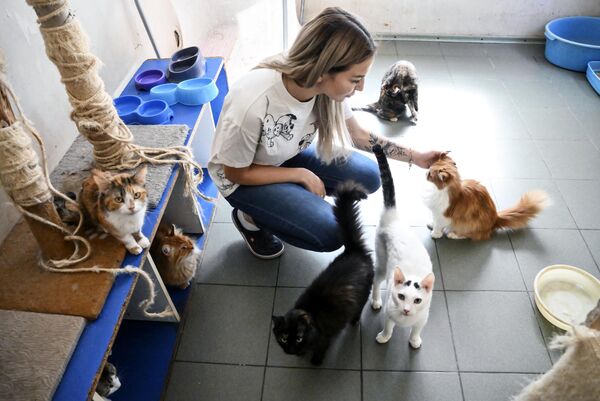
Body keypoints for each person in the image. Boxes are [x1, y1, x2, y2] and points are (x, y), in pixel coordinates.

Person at [208, 7, 444, 259]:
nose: (361, 88)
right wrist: (299, 174)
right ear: (323, 71)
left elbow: (359, 135)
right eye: (355, 79)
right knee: (333, 233)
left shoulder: (322, 85)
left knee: (368, 176)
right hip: (241, 176)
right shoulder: (252, 103)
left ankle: (287, 198)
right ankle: (251, 217)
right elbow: (235, 171)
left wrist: (415, 156)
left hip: (283, 153)